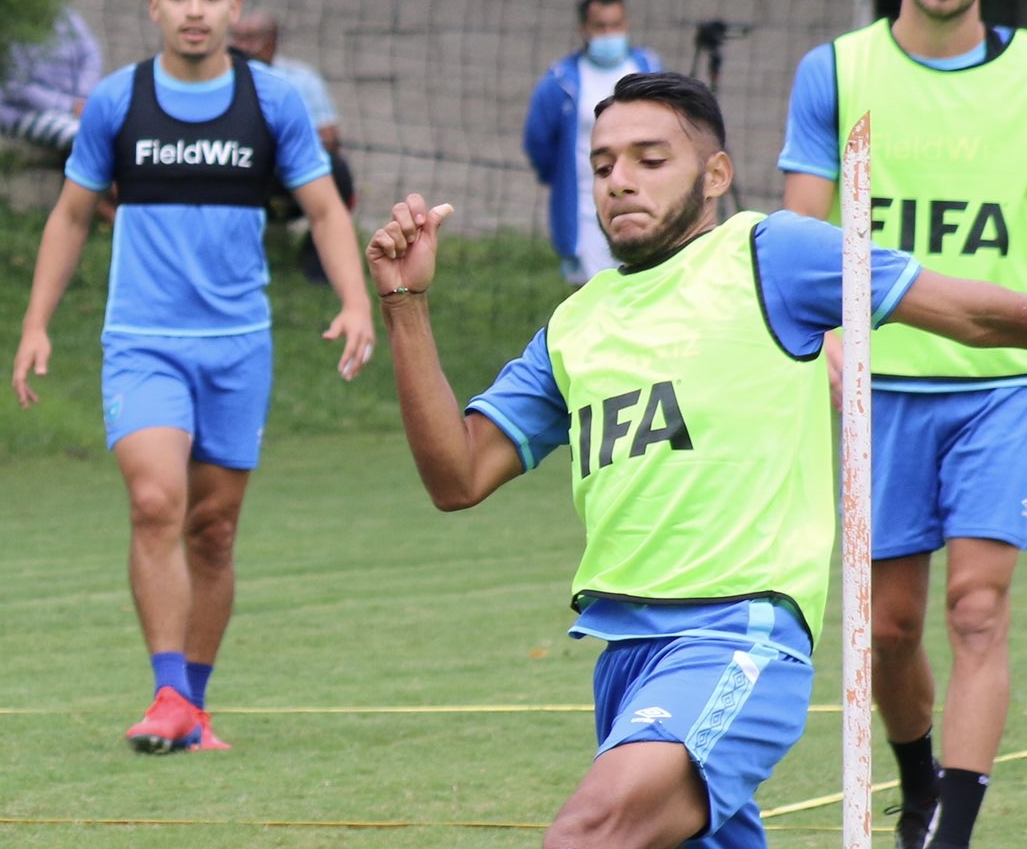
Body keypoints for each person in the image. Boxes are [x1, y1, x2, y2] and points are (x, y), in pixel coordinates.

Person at [371, 71, 1025, 849]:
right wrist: (405, 307)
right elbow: (458, 476)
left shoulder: (769, 252)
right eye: (604, 164)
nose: (620, 181)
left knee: (587, 832)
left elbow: (972, 315)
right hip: (622, 655)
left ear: (715, 175)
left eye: (650, 159)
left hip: (734, 638)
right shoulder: (575, 323)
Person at [11, 0, 375, 754]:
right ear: (156, 8)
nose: (196, 11)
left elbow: (326, 209)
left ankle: (193, 708)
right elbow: (73, 215)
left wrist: (355, 302)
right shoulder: (119, 99)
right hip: (143, 343)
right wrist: (35, 323)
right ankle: (168, 690)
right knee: (155, 500)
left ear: (233, 9)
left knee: (212, 530)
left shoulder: (273, 100)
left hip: (238, 348)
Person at [777, 3, 1024, 847]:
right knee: (887, 628)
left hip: (1005, 384)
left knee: (979, 607)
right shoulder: (836, 71)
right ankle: (917, 784)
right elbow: (803, 232)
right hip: (884, 391)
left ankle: (948, 834)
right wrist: (831, 336)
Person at [522, 0, 661, 286]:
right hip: (586, 209)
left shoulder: (648, 68)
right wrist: (562, 178)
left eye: (616, 25)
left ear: (627, 24)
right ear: (583, 28)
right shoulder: (561, 83)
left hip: (644, 199)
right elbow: (539, 142)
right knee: (588, 294)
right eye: (601, 26)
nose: (609, 34)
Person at [228, 7, 359, 287]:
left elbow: (330, 137)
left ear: (272, 41)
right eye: (235, 37)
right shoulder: (224, 75)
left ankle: (319, 265)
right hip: (240, 162)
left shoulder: (300, 79)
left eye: (249, 38)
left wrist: (290, 145)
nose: (239, 45)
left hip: (289, 166)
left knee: (338, 171)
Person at [0, 4, 103, 154]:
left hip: (78, 105)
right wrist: (70, 105)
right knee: (85, 138)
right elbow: (17, 87)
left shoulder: (67, 18)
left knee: (112, 132)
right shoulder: (10, 27)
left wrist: (82, 97)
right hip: (24, 112)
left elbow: (91, 56)